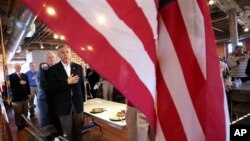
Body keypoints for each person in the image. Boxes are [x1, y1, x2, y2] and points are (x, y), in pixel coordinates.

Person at [47, 46, 85, 141]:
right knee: (67, 133)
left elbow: (81, 86)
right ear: (59, 55)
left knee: (79, 130)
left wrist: (83, 100)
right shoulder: (53, 70)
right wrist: (66, 82)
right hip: (63, 105)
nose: (65, 54)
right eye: (62, 52)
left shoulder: (78, 67)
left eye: (67, 52)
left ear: (70, 53)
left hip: (78, 104)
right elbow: (51, 88)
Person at [9, 63, 31, 131]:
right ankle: (18, 125)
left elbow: (27, 85)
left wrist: (29, 93)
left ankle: (24, 123)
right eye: (17, 66)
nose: (19, 67)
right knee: (18, 112)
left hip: (25, 97)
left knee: (25, 111)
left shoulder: (24, 75)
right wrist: (19, 83)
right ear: (14, 67)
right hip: (17, 98)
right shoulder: (10, 76)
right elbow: (10, 87)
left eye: (20, 66)